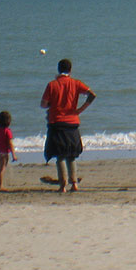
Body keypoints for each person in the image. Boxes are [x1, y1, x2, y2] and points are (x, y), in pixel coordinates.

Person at [41, 59, 96, 193]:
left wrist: (51, 105)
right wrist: (80, 109)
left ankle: (63, 184)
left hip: (57, 123)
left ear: (58, 69)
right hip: (72, 122)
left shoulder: (52, 85)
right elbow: (92, 95)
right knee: (71, 155)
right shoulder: (76, 83)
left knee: (59, 155)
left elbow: (43, 104)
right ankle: (74, 184)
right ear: (70, 70)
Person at [0, 111, 18, 191]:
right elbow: (10, 143)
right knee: (2, 169)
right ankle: (0, 185)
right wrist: (14, 155)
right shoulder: (7, 131)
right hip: (4, 152)